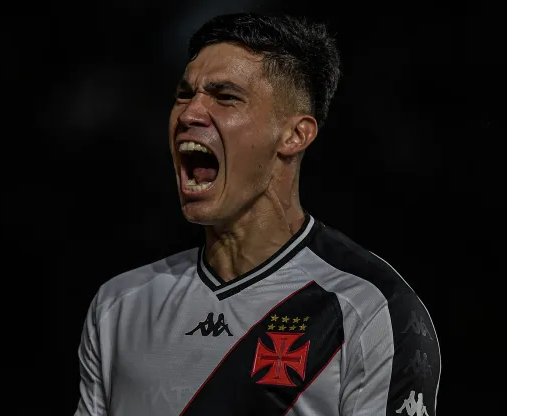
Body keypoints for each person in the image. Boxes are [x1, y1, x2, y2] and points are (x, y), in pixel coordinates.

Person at [75, 12, 440, 416]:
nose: (190, 114)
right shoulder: (120, 304)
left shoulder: (369, 310)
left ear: (294, 135)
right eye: (184, 94)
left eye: (225, 96)